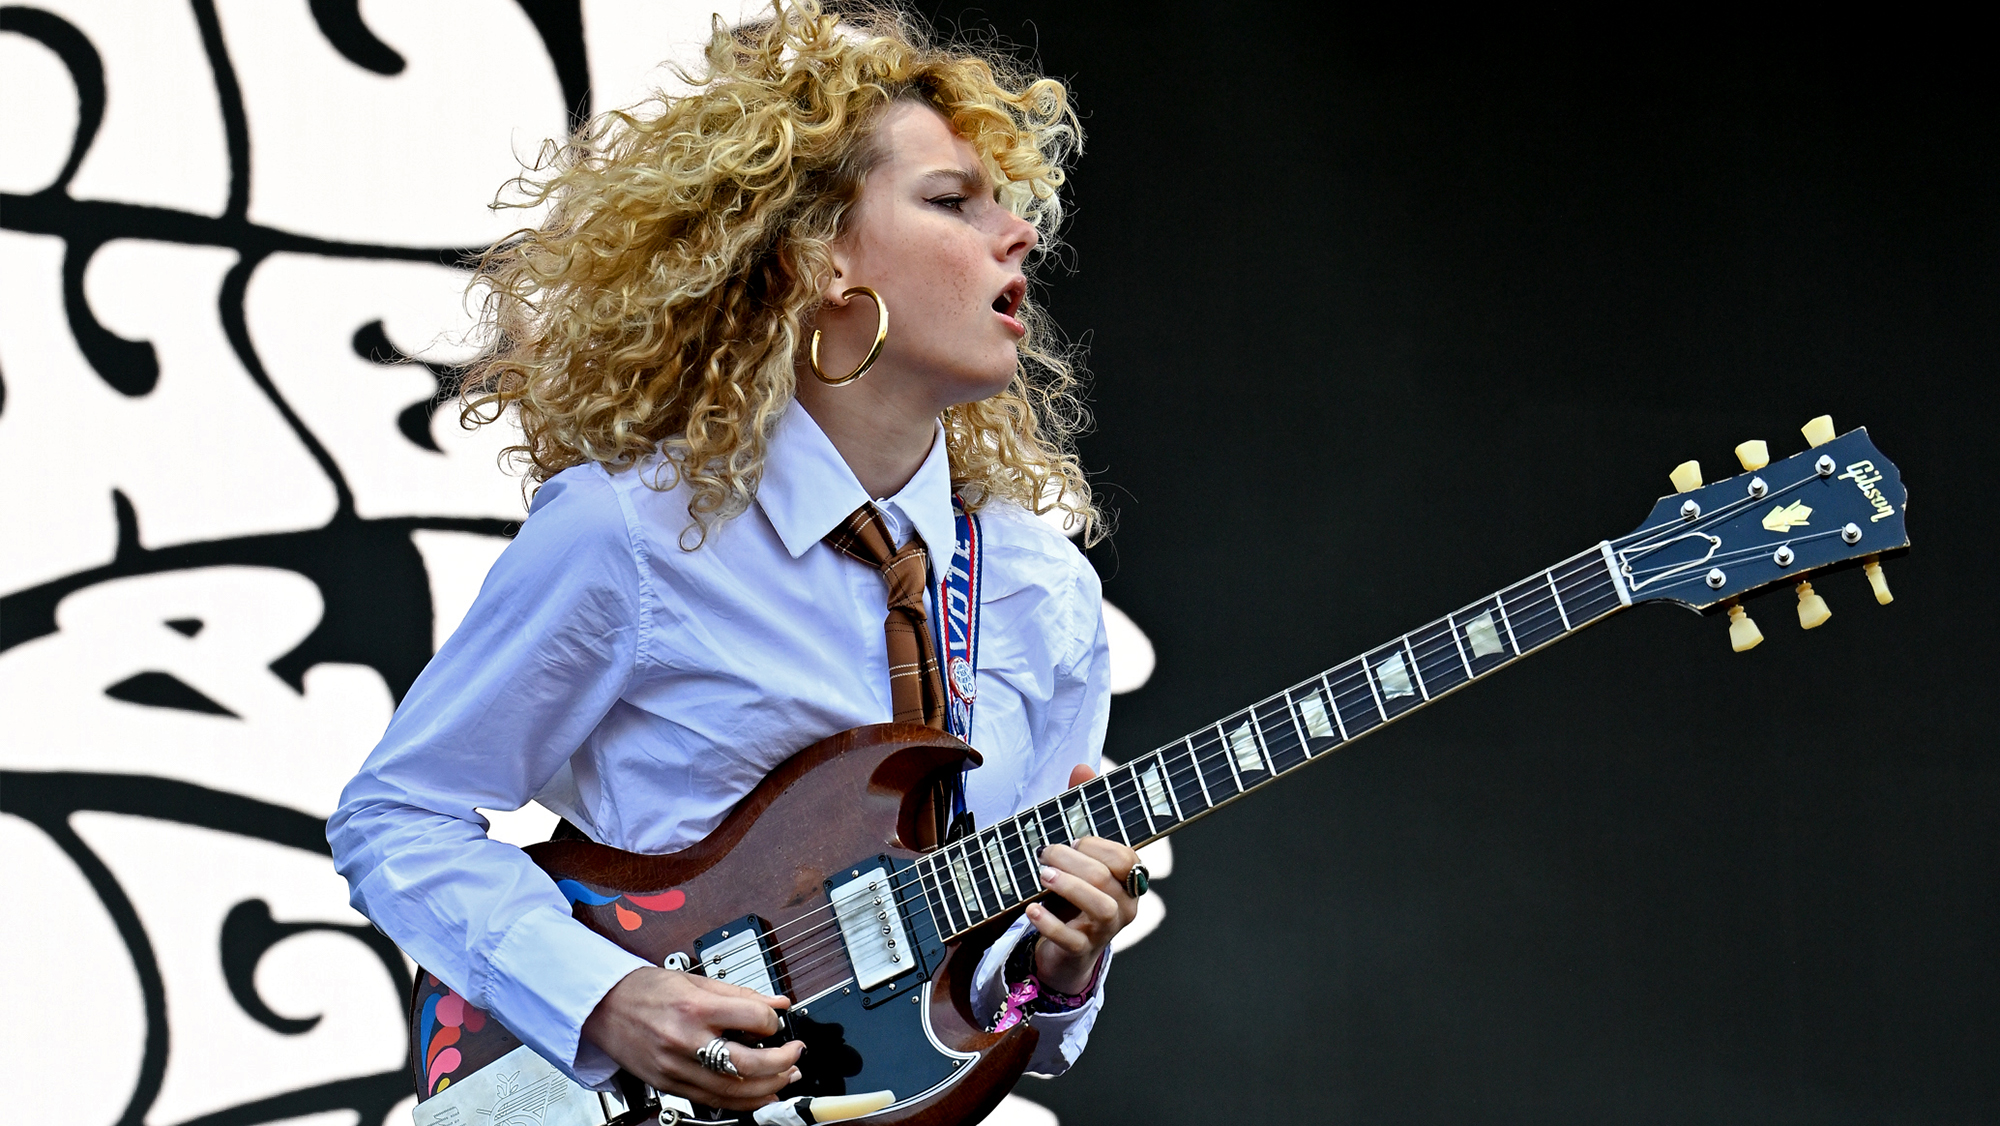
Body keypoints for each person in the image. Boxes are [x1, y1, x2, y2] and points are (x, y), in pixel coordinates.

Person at [327, 2, 1141, 1114]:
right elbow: (394, 814)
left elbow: (1004, 1022)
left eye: (1006, 204)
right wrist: (603, 998)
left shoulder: (1043, 593)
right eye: (952, 202)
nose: (1017, 236)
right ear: (818, 262)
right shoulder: (635, 532)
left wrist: (1059, 970)